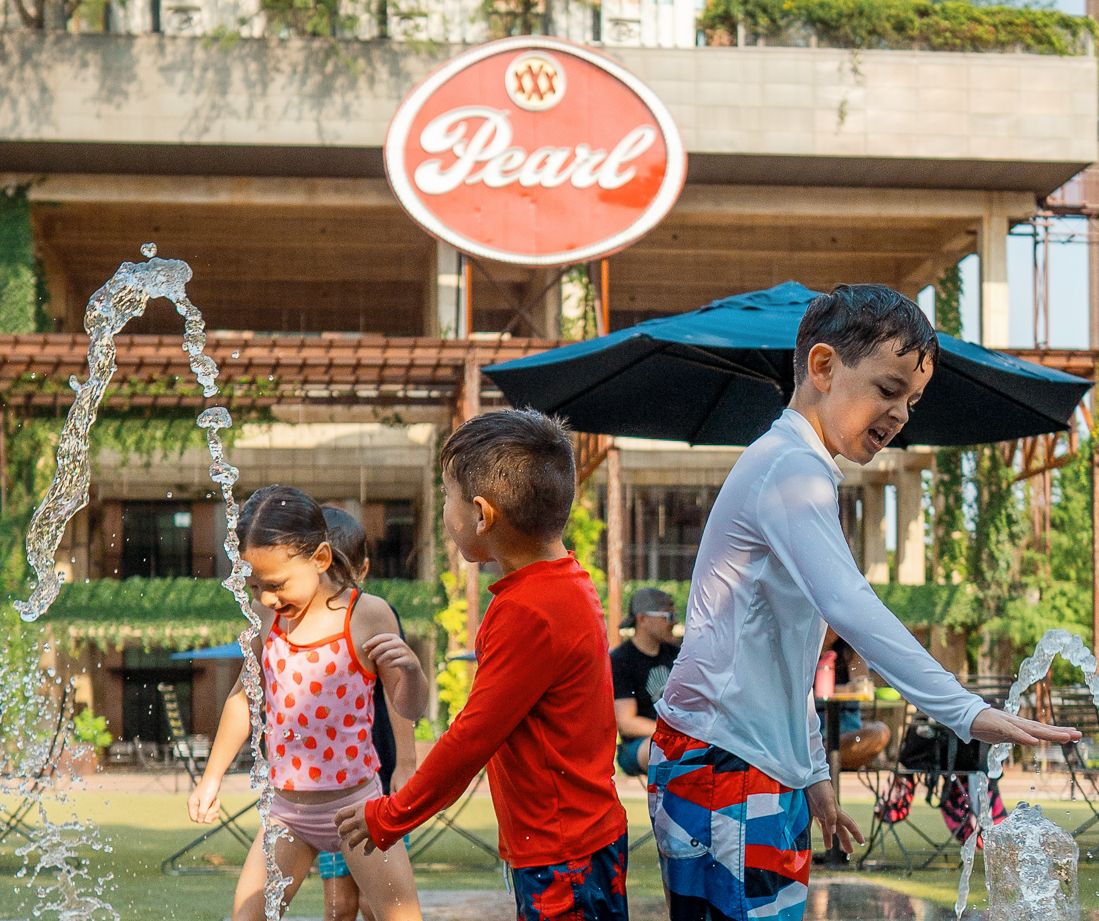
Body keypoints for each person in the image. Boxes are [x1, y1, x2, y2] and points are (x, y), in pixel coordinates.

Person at [649, 284, 1081, 921]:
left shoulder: (802, 469)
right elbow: (851, 605)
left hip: (752, 762)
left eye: (911, 400)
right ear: (823, 368)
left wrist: (813, 771)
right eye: (887, 389)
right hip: (723, 761)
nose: (902, 414)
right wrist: (964, 711)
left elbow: (785, 654)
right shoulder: (789, 469)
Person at [336, 409, 629, 921]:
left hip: (564, 854)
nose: (444, 511)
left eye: (446, 495)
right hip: (575, 840)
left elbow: (472, 738)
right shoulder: (563, 584)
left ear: (480, 513)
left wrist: (390, 816)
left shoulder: (528, 610)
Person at [187, 485, 429, 921]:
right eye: (256, 585)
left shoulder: (366, 614)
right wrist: (211, 778)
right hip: (287, 814)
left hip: (358, 808)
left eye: (276, 585)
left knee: (397, 916)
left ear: (320, 559)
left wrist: (411, 674)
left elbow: (406, 707)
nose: (265, 598)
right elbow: (244, 698)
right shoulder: (267, 619)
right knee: (246, 917)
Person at [317, 505, 419, 921]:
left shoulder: (374, 613)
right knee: (340, 904)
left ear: (363, 570)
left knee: (374, 901)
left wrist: (407, 763)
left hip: (377, 772)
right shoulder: (303, 622)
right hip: (330, 783)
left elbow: (399, 694)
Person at [611, 587, 681, 776]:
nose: (674, 623)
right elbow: (626, 723)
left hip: (679, 739)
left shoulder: (677, 655)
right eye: (667, 616)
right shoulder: (621, 660)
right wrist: (676, 734)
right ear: (642, 619)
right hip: (638, 745)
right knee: (666, 749)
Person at [815, 631, 890, 771]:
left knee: (880, 732)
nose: (830, 629)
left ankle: (825, 756)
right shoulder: (805, 653)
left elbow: (862, 684)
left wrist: (840, 690)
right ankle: (825, 755)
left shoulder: (849, 652)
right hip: (814, 729)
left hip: (848, 731)